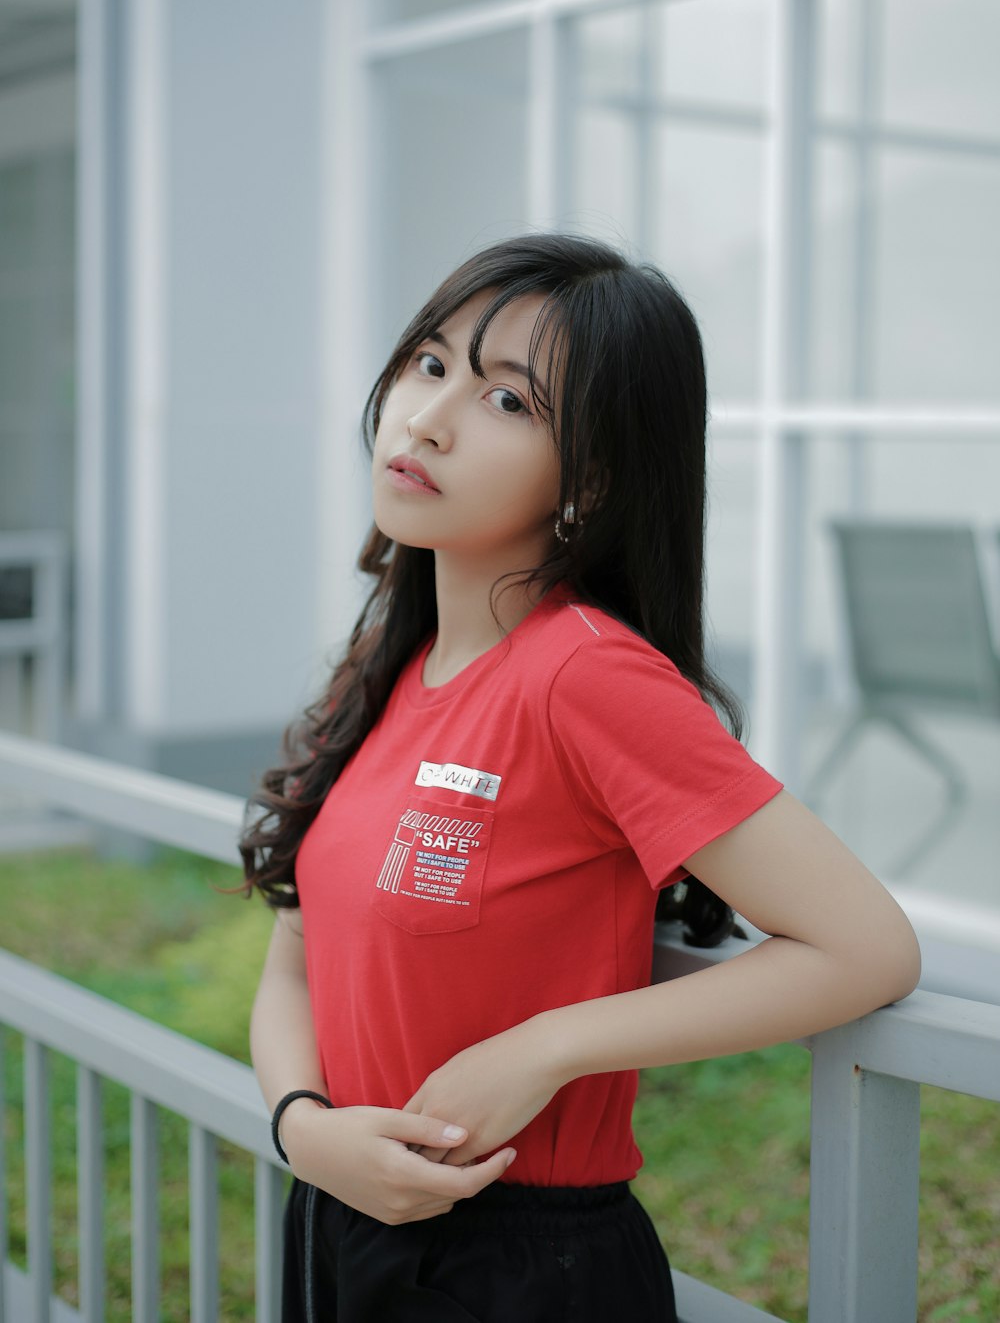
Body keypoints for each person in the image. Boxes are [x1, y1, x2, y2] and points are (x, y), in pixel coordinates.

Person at [239, 231, 921, 1323]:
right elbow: (295, 962)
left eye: (509, 403)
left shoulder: (586, 677)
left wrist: (549, 1049)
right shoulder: (383, 669)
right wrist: (304, 1129)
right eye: (431, 363)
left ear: (590, 477)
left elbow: (865, 946)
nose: (429, 418)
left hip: (517, 1269)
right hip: (336, 1214)